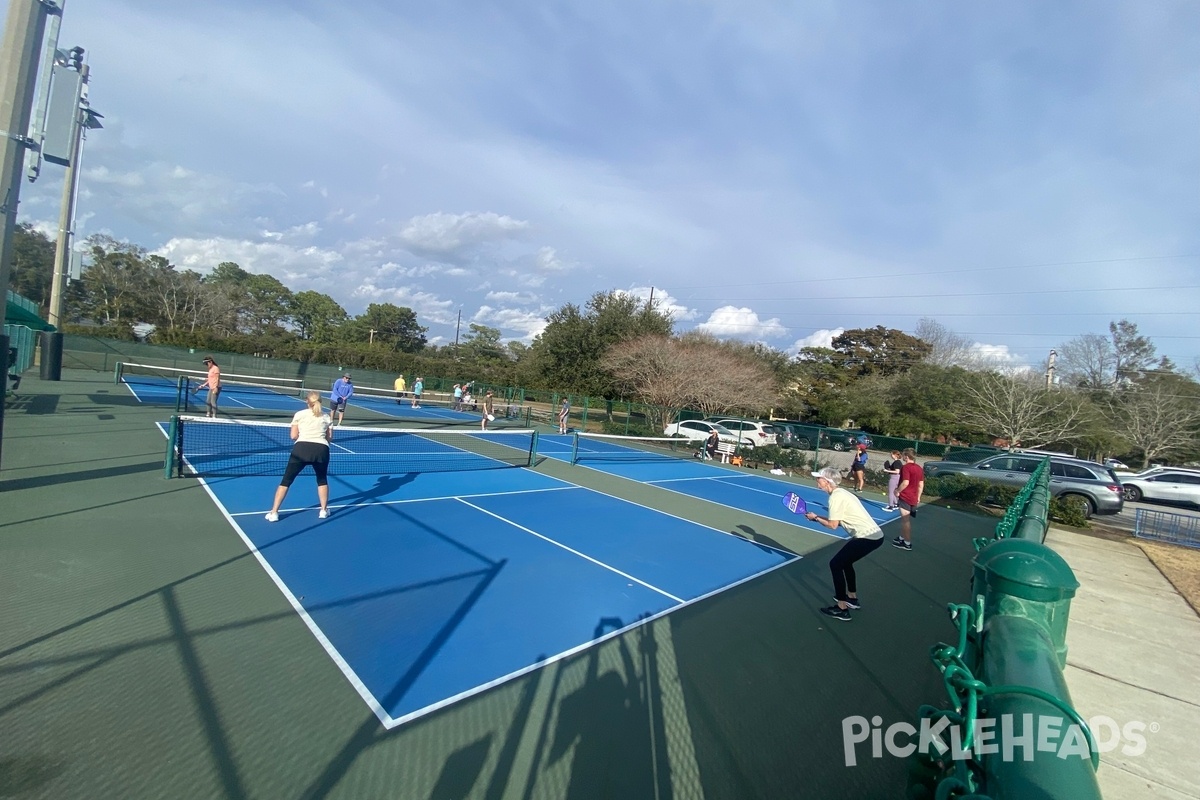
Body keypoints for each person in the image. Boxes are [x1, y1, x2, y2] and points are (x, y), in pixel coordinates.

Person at [805, 466, 884, 622]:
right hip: (875, 536)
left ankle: (842, 608)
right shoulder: (842, 493)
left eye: (819, 478)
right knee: (845, 563)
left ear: (827, 481)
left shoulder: (835, 497)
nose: (817, 480)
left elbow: (833, 525)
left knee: (835, 564)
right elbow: (840, 521)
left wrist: (815, 518)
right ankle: (852, 598)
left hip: (866, 537)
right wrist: (818, 516)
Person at [265, 391, 333, 522]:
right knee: (322, 480)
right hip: (321, 450)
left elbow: (293, 436)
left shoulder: (299, 414)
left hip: (301, 449)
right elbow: (329, 438)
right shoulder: (326, 417)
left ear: (307, 401)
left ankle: (274, 513)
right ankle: (323, 511)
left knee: (286, 481)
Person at [892, 448, 925, 551]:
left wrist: (897, 490)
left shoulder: (905, 467)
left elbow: (905, 482)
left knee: (905, 521)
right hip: (913, 497)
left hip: (906, 497)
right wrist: (918, 497)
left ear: (906, 456)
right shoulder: (919, 468)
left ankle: (907, 543)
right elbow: (921, 484)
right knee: (906, 520)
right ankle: (902, 537)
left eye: (903, 455)